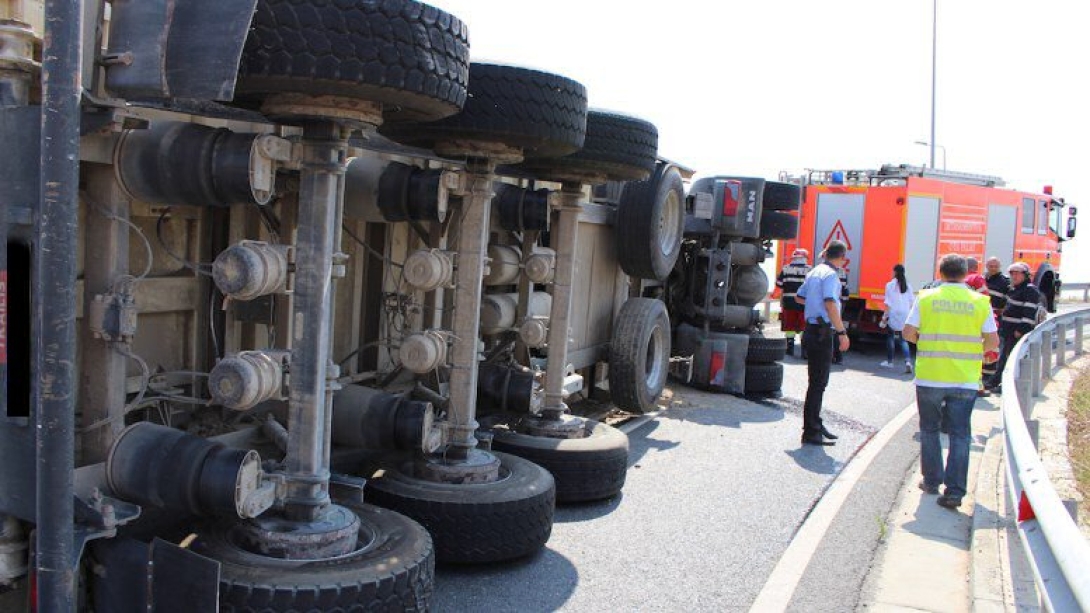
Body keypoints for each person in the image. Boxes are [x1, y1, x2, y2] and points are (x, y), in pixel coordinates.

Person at [902, 254, 999, 509]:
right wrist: (978, 352)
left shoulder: (927, 297)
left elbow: (908, 333)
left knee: (930, 430)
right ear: (966, 274)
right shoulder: (980, 301)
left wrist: (927, 342)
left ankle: (932, 481)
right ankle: (955, 492)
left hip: (931, 376)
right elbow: (992, 341)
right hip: (964, 379)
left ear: (941, 273)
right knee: (960, 435)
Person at [795, 240, 850, 446]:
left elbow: (800, 298)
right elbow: (830, 303)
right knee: (818, 384)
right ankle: (811, 431)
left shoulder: (815, 271)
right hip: (822, 332)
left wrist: (813, 304)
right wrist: (842, 332)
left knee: (816, 383)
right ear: (842, 257)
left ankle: (815, 423)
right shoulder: (831, 276)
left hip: (811, 329)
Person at [988, 261, 1041, 393]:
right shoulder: (1014, 289)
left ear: (1025, 275)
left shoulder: (1029, 289)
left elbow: (1029, 312)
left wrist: (1021, 330)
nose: (1014, 276)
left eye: (1017, 274)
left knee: (1012, 359)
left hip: (1016, 332)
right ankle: (996, 381)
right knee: (1004, 358)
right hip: (1007, 331)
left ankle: (1005, 384)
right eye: (1012, 273)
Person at [980, 257, 1011, 390]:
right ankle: (982, 374)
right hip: (982, 317)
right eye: (990, 266)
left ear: (999, 267)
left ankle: (989, 377)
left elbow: (1008, 302)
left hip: (996, 317)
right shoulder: (982, 279)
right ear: (986, 266)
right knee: (982, 345)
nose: (992, 268)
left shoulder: (1004, 282)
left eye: (995, 266)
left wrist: (1000, 312)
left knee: (993, 348)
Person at [776, 248, 811, 358]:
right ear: (805, 258)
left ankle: (789, 349)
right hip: (804, 303)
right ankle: (804, 352)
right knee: (803, 327)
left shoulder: (786, 269)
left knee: (790, 327)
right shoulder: (810, 270)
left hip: (788, 302)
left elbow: (779, 284)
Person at [880, 264, 914, 373]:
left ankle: (890, 362)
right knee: (903, 339)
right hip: (905, 313)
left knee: (890, 337)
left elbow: (888, 303)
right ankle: (908, 361)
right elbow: (911, 302)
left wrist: (884, 317)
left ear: (895, 272)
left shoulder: (889, 285)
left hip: (894, 313)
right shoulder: (908, 285)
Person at [832, 265, 850, 364]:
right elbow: (845, 290)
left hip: (829, 305)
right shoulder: (842, 272)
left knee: (829, 331)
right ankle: (838, 357)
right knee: (837, 330)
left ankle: (832, 356)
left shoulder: (824, 270)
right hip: (839, 304)